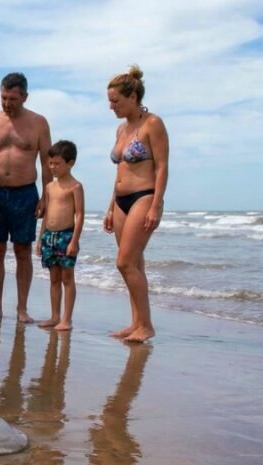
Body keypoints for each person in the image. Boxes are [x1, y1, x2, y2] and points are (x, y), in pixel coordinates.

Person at [0, 72, 52, 323]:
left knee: (23, 250)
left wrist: (46, 197)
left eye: (12, 98)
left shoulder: (39, 123)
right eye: (3, 97)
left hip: (25, 192)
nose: (7, 103)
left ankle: (22, 308)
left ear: (24, 96)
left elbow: (47, 162)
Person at [102, 65, 169, 343]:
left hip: (144, 196)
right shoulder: (121, 129)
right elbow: (120, 171)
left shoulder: (152, 124)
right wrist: (109, 206)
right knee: (135, 265)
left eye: (115, 101)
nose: (111, 106)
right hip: (120, 201)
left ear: (132, 97)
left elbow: (163, 167)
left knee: (124, 263)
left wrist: (156, 205)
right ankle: (136, 323)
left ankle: (147, 325)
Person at [37, 140, 84, 331]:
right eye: (51, 163)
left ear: (70, 163)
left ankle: (67, 319)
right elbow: (47, 213)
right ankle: (54, 316)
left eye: (57, 163)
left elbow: (80, 214)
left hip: (66, 236)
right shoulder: (49, 187)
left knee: (67, 278)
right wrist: (40, 239)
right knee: (54, 278)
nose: (53, 167)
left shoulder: (75, 186)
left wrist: (74, 241)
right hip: (49, 235)